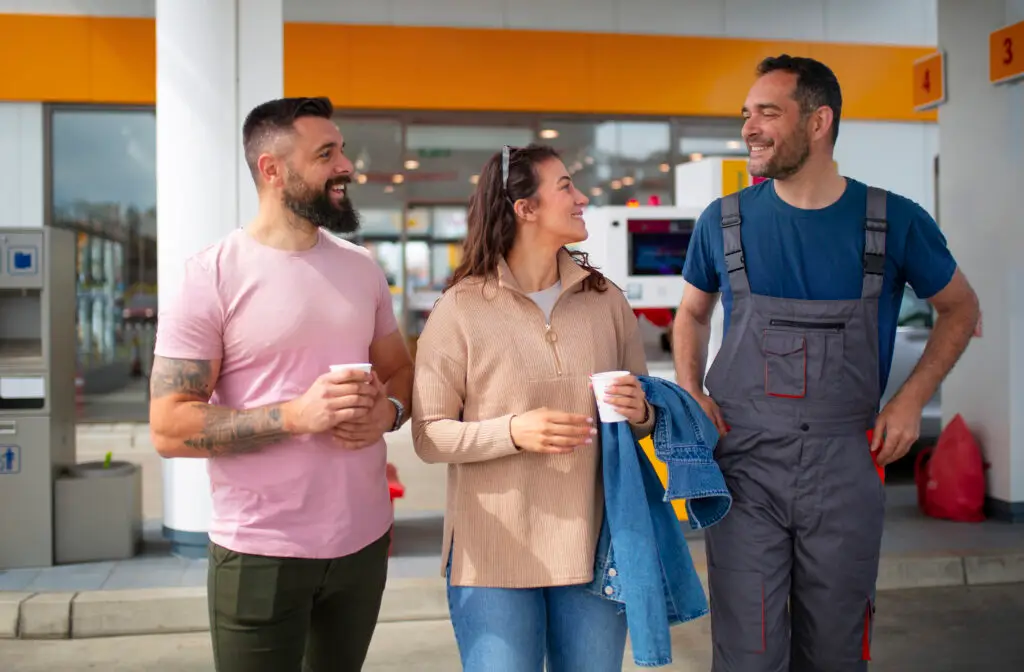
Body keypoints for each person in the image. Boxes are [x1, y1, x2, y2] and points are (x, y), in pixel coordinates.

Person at [673, 55, 980, 672]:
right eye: (746, 114)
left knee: (837, 648)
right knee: (750, 652)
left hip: (846, 466)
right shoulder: (724, 222)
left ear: (819, 121)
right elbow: (692, 314)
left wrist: (912, 397)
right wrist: (690, 391)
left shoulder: (893, 222)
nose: (750, 128)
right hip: (745, 468)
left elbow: (961, 309)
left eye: (767, 113)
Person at [149, 96, 414, 672]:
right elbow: (169, 426)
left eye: (342, 150)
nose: (346, 165)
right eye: (327, 153)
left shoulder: (360, 267)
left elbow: (400, 368)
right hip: (259, 552)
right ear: (272, 170)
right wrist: (295, 415)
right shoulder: (211, 275)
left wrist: (390, 411)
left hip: (364, 545)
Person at [411, 143, 656, 672]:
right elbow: (429, 436)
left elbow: (643, 416)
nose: (583, 197)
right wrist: (513, 431)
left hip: (593, 549)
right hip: (490, 554)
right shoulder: (460, 309)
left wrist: (642, 412)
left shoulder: (606, 301)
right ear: (525, 209)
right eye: (566, 186)